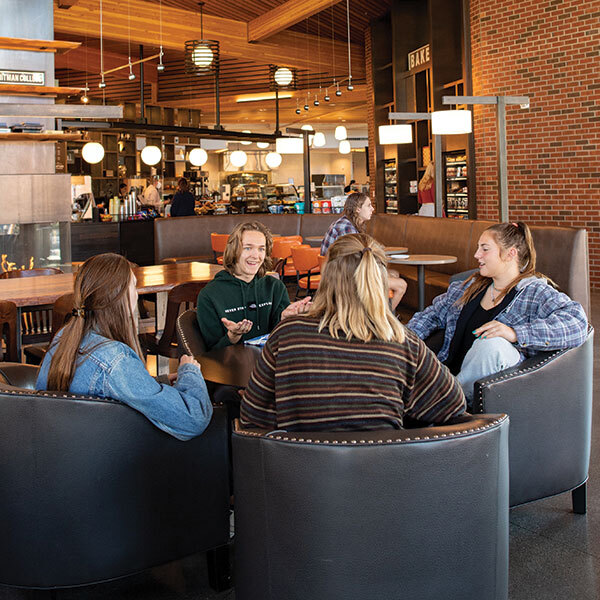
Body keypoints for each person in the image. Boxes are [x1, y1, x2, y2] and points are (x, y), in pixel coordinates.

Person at [240, 233, 466, 431]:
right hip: (384, 474)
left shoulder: (287, 334)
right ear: (380, 279)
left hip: (300, 474)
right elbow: (453, 406)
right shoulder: (403, 342)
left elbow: (252, 416)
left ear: (327, 276)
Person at [36, 253, 212, 441]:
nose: (136, 294)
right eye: (133, 286)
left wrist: (157, 381)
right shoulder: (117, 360)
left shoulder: (64, 337)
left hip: (67, 453)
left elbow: (107, 389)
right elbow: (194, 419)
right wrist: (189, 371)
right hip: (117, 462)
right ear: (119, 296)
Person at [407, 222, 588, 404]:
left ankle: (448, 403)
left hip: (496, 388)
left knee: (491, 345)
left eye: (485, 249)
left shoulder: (535, 292)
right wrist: (397, 340)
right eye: (478, 248)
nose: (477, 255)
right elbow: (429, 316)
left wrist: (515, 333)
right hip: (447, 375)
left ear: (511, 253)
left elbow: (577, 323)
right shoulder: (468, 288)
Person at [196, 221, 311, 351]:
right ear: (233, 250)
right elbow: (210, 354)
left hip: (271, 365)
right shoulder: (210, 295)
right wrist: (232, 337)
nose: (256, 256)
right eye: (248, 248)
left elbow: (283, 340)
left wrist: (286, 320)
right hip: (231, 367)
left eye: (261, 249)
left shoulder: (275, 287)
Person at [320, 192, 407, 309]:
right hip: (344, 277)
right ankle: (381, 321)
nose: (372, 209)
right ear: (357, 209)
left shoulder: (349, 223)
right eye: (368, 205)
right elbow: (355, 259)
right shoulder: (347, 227)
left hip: (344, 272)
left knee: (393, 273)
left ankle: (374, 313)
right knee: (401, 285)